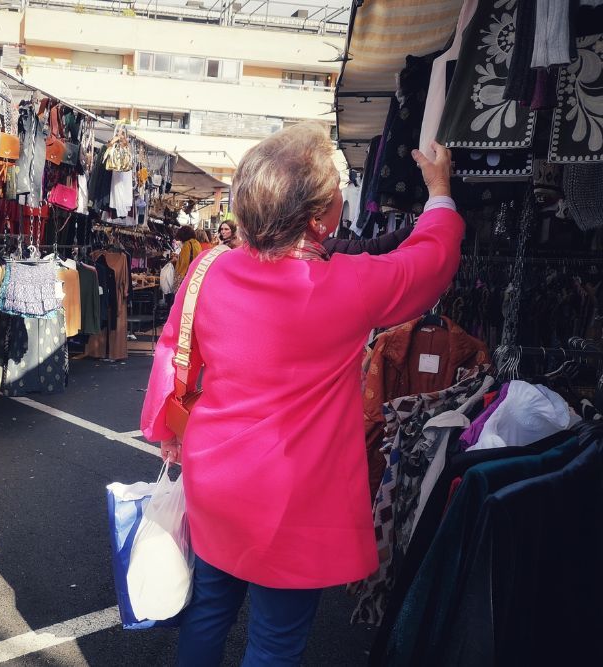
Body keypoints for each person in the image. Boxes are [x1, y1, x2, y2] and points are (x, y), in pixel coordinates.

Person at [140, 123, 461, 666]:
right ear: (319, 218)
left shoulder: (208, 267)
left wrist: (164, 431)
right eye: (336, 188)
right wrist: (439, 193)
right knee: (276, 642)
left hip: (215, 478)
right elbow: (429, 263)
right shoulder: (350, 285)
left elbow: (173, 347)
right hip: (296, 499)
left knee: (209, 609)